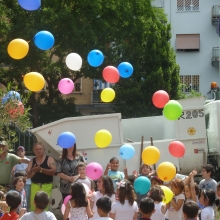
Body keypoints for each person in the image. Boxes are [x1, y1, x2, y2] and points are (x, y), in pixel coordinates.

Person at [26, 142, 56, 211]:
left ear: (43, 150)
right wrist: (33, 172)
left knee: (45, 207)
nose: (38, 151)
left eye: (40, 149)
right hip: (34, 186)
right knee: (34, 206)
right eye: (36, 149)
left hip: (47, 186)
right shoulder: (31, 161)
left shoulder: (49, 159)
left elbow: (54, 172)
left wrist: (41, 170)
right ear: (34, 151)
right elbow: (28, 175)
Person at [11, 146, 31, 211]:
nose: (20, 152)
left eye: (22, 151)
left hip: (27, 183)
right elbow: (12, 173)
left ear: (24, 152)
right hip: (17, 183)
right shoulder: (14, 161)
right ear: (17, 152)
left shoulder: (28, 161)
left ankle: (25, 212)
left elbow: (30, 172)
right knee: (16, 198)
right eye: (18, 151)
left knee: (26, 198)